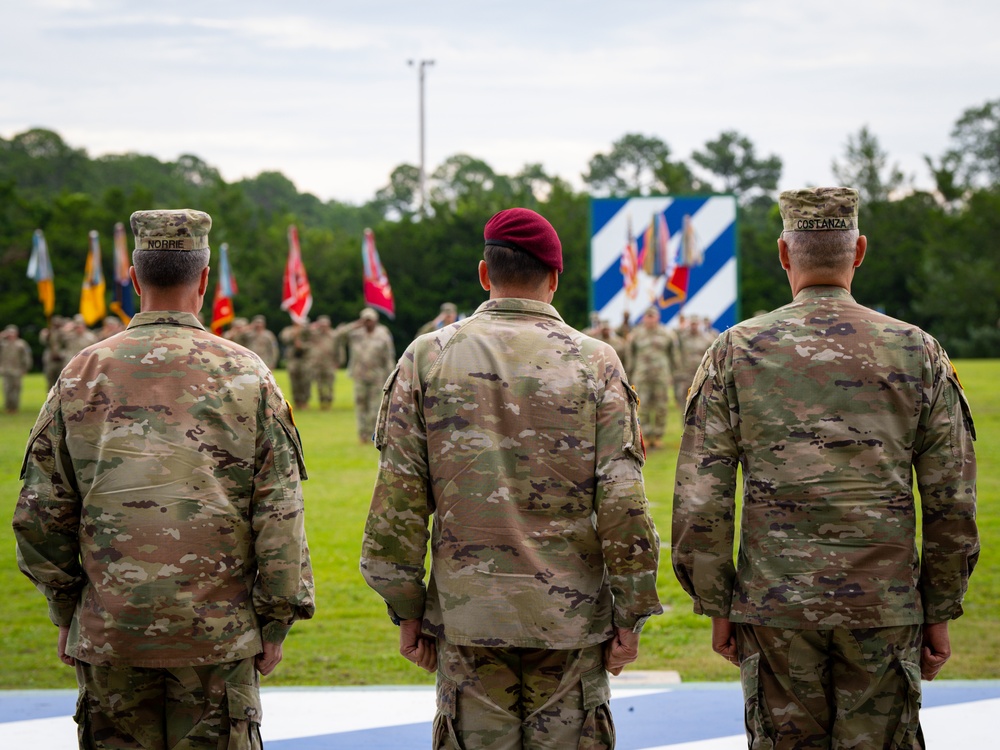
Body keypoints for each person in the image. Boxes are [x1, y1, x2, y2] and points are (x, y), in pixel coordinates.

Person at [671, 187, 979, 749]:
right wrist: (940, 608)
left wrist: (717, 605)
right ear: (858, 251)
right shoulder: (917, 351)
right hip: (883, 605)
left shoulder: (735, 350)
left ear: (785, 255)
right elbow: (951, 500)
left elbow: (702, 498)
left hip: (776, 605)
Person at [13, 208, 315, 748]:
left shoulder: (81, 373)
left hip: (112, 633)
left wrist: (66, 610)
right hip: (217, 641)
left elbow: (41, 513)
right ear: (204, 281)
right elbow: (279, 516)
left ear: (133, 278)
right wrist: (275, 621)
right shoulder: (248, 374)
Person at [361, 207, 662, 749]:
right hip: (568, 621)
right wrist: (632, 612)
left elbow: (398, 501)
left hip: (469, 615)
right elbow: (623, 501)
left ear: (484, 274)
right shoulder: (596, 362)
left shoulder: (428, 356)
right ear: (554, 277)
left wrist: (406, 610)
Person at [336, 307, 395, 444]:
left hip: (377, 376)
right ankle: (362, 435)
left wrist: (391, 375)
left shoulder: (383, 334)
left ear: (376, 320)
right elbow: (338, 335)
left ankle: (372, 434)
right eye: (365, 320)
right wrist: (355, 324)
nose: (368, 323)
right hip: (359, 375)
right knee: (361, 406)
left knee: (374, 408)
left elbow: (388, 356)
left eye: (370, 320)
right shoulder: (355, 334)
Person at [628, 306, 677, 449]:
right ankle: (646, 436)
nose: (650, 319)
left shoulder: (667, 334)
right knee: (643, 406)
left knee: (661, 406)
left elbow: (673, 355)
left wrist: (673, 374)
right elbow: (631, 355)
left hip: (661, 376)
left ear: (657, 317)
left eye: (652, 316)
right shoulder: (636, 334)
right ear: (644, 318)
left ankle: (658, 435)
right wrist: (629, 374)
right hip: (642, 376)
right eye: (648, 316)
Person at [308, 315, 340, 410]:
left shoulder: (333, 335)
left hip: (330, 363)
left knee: (329, 385)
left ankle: (329, 402)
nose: (323, 327)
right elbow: (304, 333)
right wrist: (311, 326)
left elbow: (338, 349)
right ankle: (322, 403)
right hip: (317, 364)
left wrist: (338, 361)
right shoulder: (314, 335)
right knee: (319, 385)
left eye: (325, 325)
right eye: (321, 325)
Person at [280, 319, 313, 410]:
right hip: (293, 359)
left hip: (305, 359)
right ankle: (297, 401)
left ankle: (305, 401)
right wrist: (294, 333)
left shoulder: (308, 331)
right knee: (294, 381)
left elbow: (313, 343)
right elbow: (285, 339)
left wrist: (302, 346)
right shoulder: (288, 330)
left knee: (305, 381)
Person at [0, 324, 33, 413]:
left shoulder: (21, 344)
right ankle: (8, 407)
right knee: (7, 389)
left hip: (17, 370)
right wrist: (2, 335)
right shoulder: (3, 343)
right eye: (9, 333)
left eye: (13, 333)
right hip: (5, 370)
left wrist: (26, 368)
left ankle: (14, 407)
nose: (11, 335)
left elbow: (26, 357)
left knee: (16, 389)